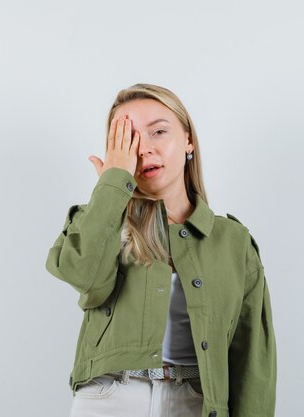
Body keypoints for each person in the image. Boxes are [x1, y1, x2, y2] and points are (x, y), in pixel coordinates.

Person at [45, 83, 276, 417]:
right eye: (129, 139)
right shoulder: (100, 221)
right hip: (109, 398)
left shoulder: (233, 242)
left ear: (188, 139)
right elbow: (85, 278)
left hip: (196, 402)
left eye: (158, 132)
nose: (144, 150)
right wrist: (112, 185)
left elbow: (253, 360)